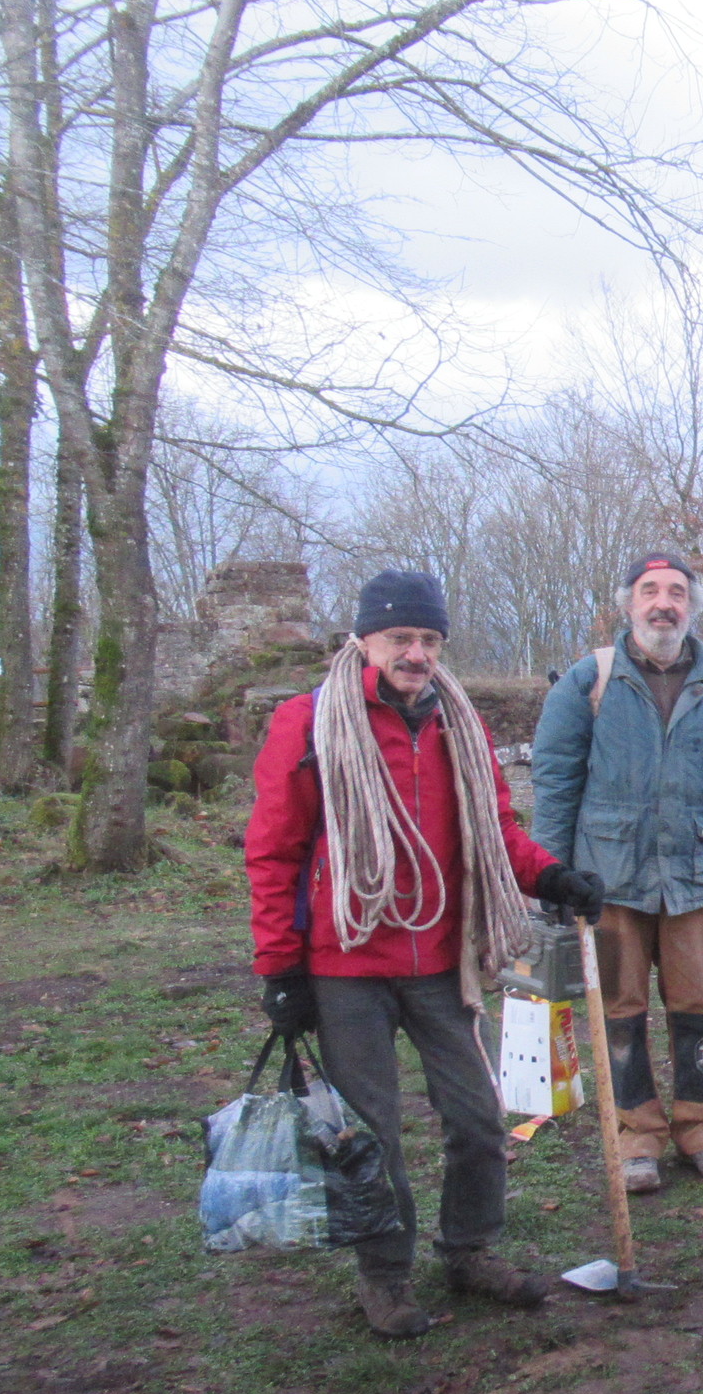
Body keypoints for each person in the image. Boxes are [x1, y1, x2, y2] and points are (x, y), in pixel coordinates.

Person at [247, 569, 607, 1338]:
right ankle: (384, 1276)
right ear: (364, 640)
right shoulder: (307, 724)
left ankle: (469, 1250)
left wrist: (552, 876)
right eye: (401, 638)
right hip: (345, 965)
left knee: (478, 1118)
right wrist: (280, 967)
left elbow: (495, 829)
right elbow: (274, 852)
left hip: (443, 960)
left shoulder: (457, 726)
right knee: (372, 1133)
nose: (417, 654)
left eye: (430, 640)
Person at [531, 552, 703, 1193]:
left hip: (694, 877)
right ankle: (637, 1138)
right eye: (651, 591)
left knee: (697, 1005)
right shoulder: (588, 682)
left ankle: (702, 1132)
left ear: (692, 605)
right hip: (608, 879)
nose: (664, 603)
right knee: (620, 1008)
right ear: (629, 604)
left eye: (677, 592)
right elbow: (554, 783)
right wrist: (549, 873)